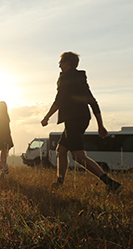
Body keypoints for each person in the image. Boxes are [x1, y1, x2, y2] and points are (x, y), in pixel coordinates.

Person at [41, 52, 123, 193]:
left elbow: (59, 100)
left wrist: (47, 117)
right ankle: (60, 182)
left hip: (74, 120)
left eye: (61, 62)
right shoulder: (80, 79)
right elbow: (92, 101)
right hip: (82, 118)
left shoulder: (66, 78)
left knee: (78, 156)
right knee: (61, 150)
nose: (59, 65)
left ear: (68, 63)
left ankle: (111, 184)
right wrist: (100, 125)